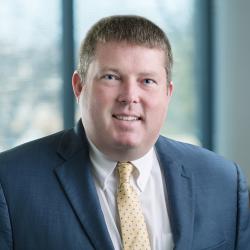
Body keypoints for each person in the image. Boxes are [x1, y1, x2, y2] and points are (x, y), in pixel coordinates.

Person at [0, 15, 249, 250]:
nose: (130, 96)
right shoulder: (11, 182)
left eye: (147, 81)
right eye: (111, 77)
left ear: (168, 93)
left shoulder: (223, 182)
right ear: (79, 87)